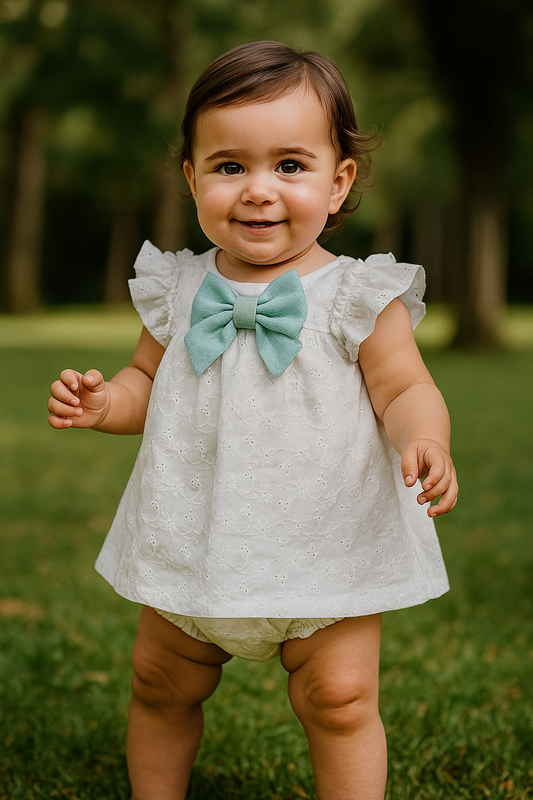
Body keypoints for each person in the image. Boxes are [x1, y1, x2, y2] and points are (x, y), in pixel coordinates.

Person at [48, 40, 458, 800]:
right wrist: (107, 404)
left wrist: (423, 437)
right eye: (229, 166)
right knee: (159, 685)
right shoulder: (177, 287)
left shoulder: (358, 296)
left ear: (339, 183)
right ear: (191, 178)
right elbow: (146, 381)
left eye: (290, 166)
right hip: (192, 537)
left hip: (323, 549)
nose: (257, 190)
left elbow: (404, 388)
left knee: (339, 702)